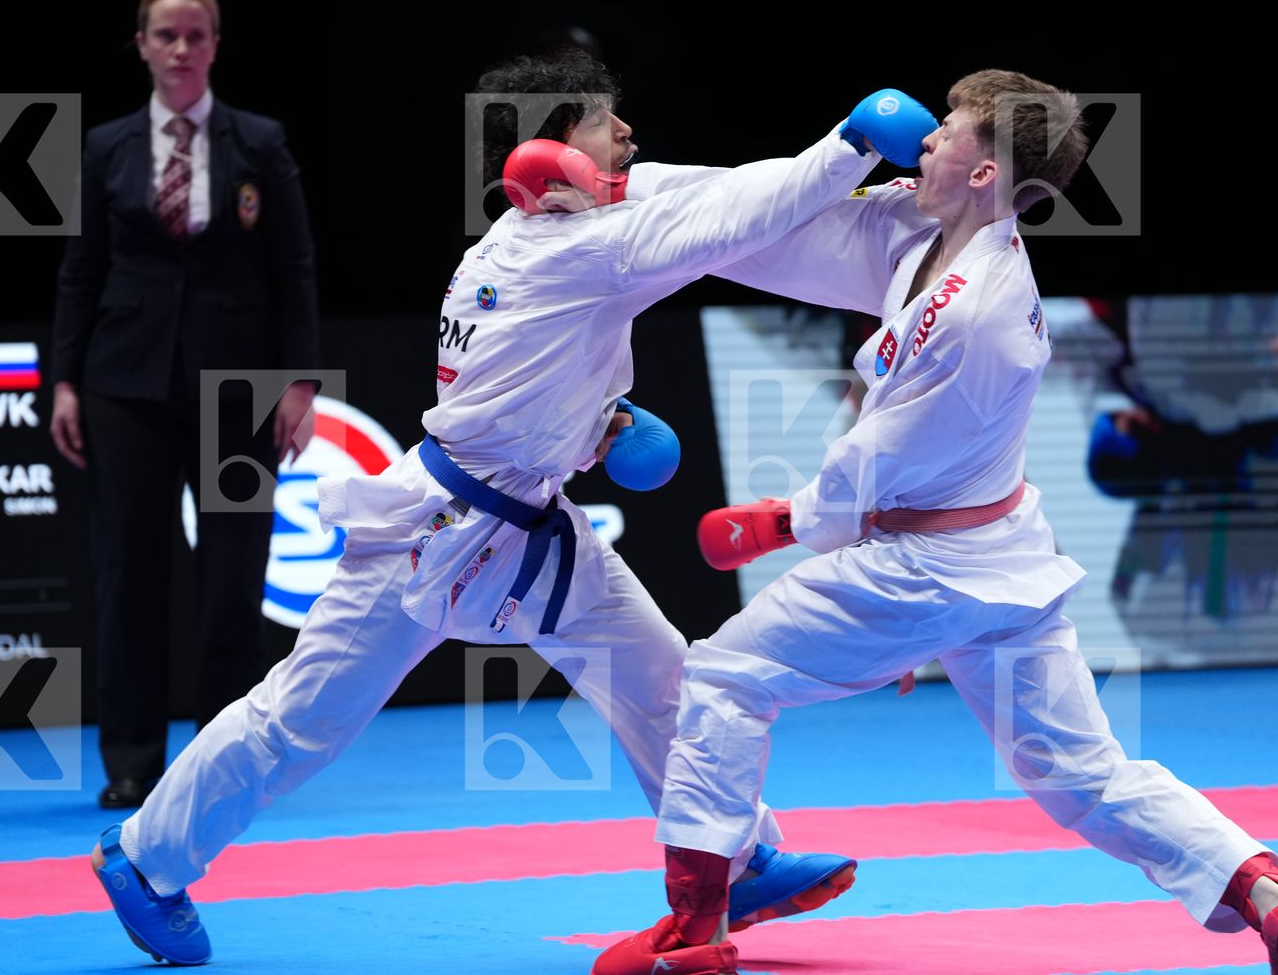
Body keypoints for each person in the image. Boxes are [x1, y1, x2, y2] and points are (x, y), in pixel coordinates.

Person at [87, 47, 939, 965]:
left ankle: (735, 853)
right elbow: (733, 219)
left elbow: (523, 371)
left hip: (530, 520)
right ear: (558, 141)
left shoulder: (510, 240)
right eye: (607, 121)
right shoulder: (581, 246)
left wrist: (598, 423)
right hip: (435, 536)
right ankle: (143, 858)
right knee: (301, 723)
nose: (628, 135)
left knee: (661, 678)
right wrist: (852, 146)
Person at [593, 71, 1278, 975]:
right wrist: (630, 193)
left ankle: (694, 930)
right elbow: (778, 218)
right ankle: (1275, 898)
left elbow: (877, 459)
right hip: (997, 562)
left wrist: (786, 522)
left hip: (923, 564)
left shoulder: (973, 315)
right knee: (1082, 778)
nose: (928, 141)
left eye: (947, 131)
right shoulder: (925, 230)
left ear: (985, 171)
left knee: (723, 675)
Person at [49, 0, 320, 810]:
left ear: (214, 44)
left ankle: (223, 759)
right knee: (128, 569)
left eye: (196, 35)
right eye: (166, 35)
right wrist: (62, 377)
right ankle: (132, 758)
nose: (181, 49)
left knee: (233, 573)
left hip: (239, 382)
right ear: (141, 44)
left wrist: (302, 379)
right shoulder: (105, 147)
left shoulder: (259, 142)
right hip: (123, 382)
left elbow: (295, 266)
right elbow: (81, 268)